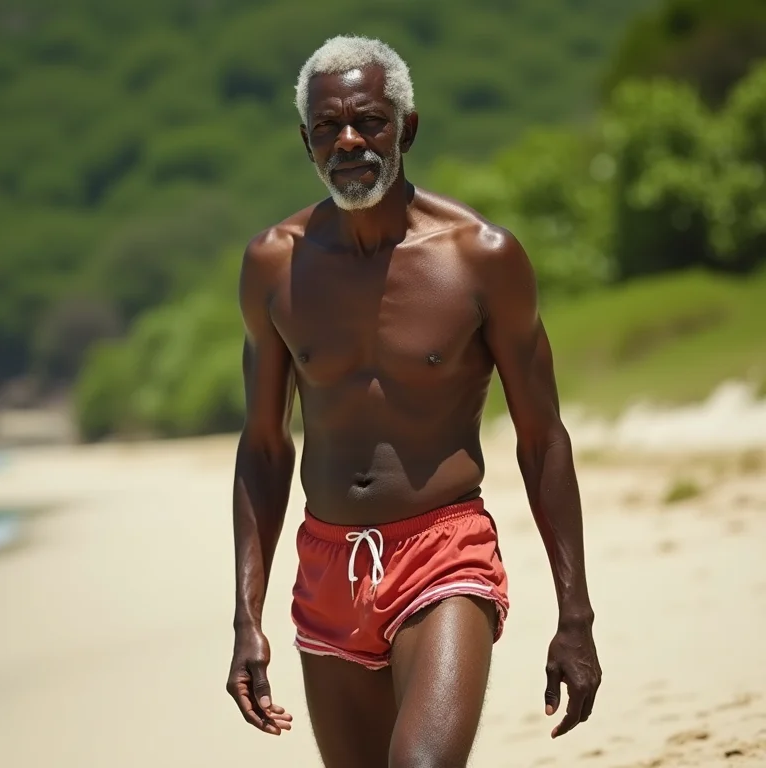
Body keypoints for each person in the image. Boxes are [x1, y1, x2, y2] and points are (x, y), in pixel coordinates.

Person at [226, 34, 601, 768]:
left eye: (369, 119)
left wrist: (575, 615)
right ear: (306, 141)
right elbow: (265, 445)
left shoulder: (480, 258)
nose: (350, 141)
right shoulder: (274, 263)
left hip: (444, 553)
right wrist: (247, 616)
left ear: (409, 126)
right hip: (328, 563)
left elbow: (542, 438)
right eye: (328, 128)